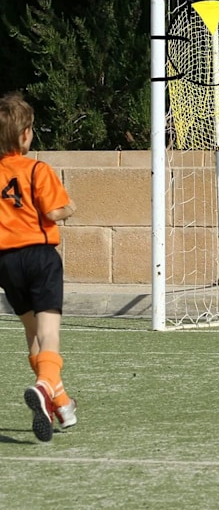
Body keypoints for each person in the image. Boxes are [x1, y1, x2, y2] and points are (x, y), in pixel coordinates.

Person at [0, 92, 77, 441]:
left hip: (5, 262)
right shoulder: (37, 169)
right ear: (26, 134)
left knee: (32, 334)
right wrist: (69, 208)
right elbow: (53, 210)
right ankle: (45, 385)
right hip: (40, 257)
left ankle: (61, 403)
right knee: (49, 334)